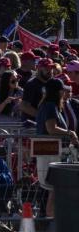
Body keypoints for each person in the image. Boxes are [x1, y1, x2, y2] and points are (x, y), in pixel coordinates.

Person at [35, 77, 79, 218]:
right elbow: (51, 128)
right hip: (49, 150)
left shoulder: (49, 105)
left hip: (49, 149)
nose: (63, 92)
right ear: (58, 91)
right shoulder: (49, 106)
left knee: (54, 189)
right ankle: (51, 221)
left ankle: (51, 219)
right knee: (55, 187)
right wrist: (69, 133)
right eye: (62, 89)